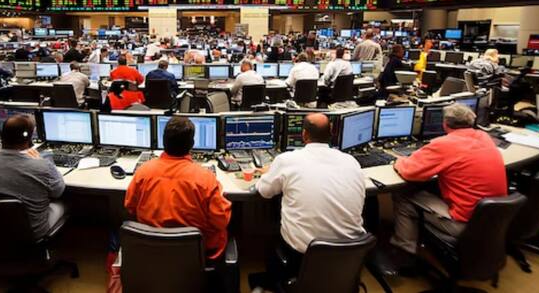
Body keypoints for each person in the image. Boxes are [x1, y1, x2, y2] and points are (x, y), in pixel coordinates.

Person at [251, 113, 365, 289]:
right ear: (332, 133)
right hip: (350, 254)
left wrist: (271, 172)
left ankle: (274, 279)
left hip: (303, 256)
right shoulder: (352, 162)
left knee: (275, 223)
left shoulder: (287, 160)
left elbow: (265, 192)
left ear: (304, 134)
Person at [390, 104, 507, 260]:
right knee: (432, 186)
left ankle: (404, 252)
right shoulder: (483, 136)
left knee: (402, 193)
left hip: (463, 224)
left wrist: (398, 161)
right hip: (494, 218)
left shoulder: (445, 144)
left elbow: (410, 172)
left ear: (445, 124)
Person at [125, 116, 232, 260]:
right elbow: (221, 221)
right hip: (196, 253)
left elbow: (130, 207)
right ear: (192, 144)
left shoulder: (143, 172)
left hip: (152, 250)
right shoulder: (206, 178)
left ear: (163, 141)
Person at [0, 115, 66, 240]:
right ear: (29, 139)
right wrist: (42, 160)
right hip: (31, 233)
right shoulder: (41, 166)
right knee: (62, 204)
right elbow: (58, 191)